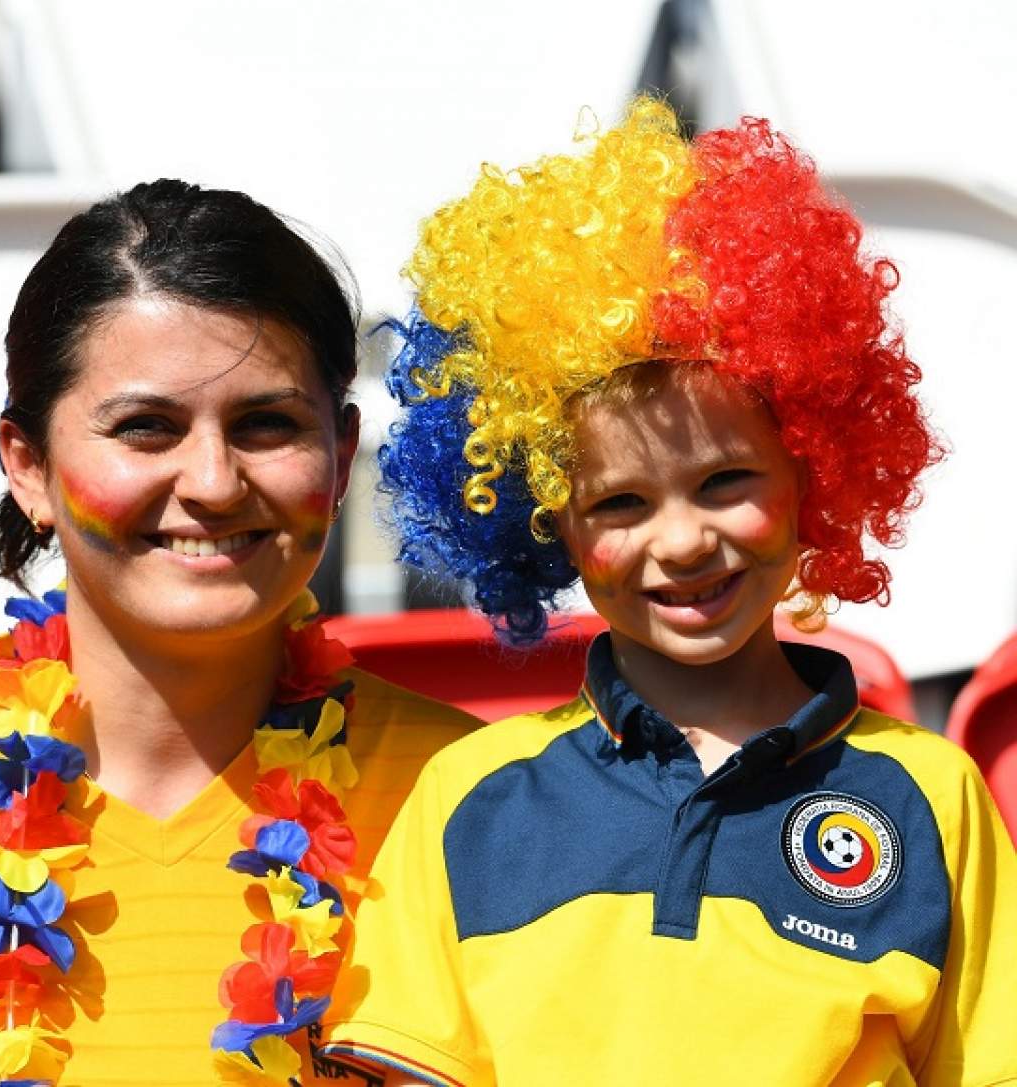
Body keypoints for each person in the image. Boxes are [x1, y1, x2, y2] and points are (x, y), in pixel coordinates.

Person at [320, 100, 1017, 1085]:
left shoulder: (929, 795)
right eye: (621, 502)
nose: (683, 540)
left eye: (726, 480)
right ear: (548, 521)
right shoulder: (470, 798)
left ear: (813, 471)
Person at [0, 180, 480, 1087]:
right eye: (145, 428)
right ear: (30, 468)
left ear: (340, 453)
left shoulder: (476, 802)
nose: (211, 480)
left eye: (267, 424)